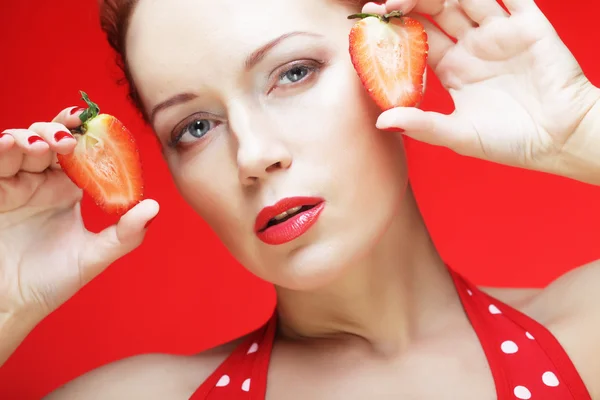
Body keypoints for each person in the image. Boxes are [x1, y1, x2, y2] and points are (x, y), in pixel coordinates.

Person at [0, 0, 598, 398]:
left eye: (293, 73)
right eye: (195, 127)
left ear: (389, 50)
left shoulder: (584, 333)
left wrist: (581, 132)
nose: (253, 155)